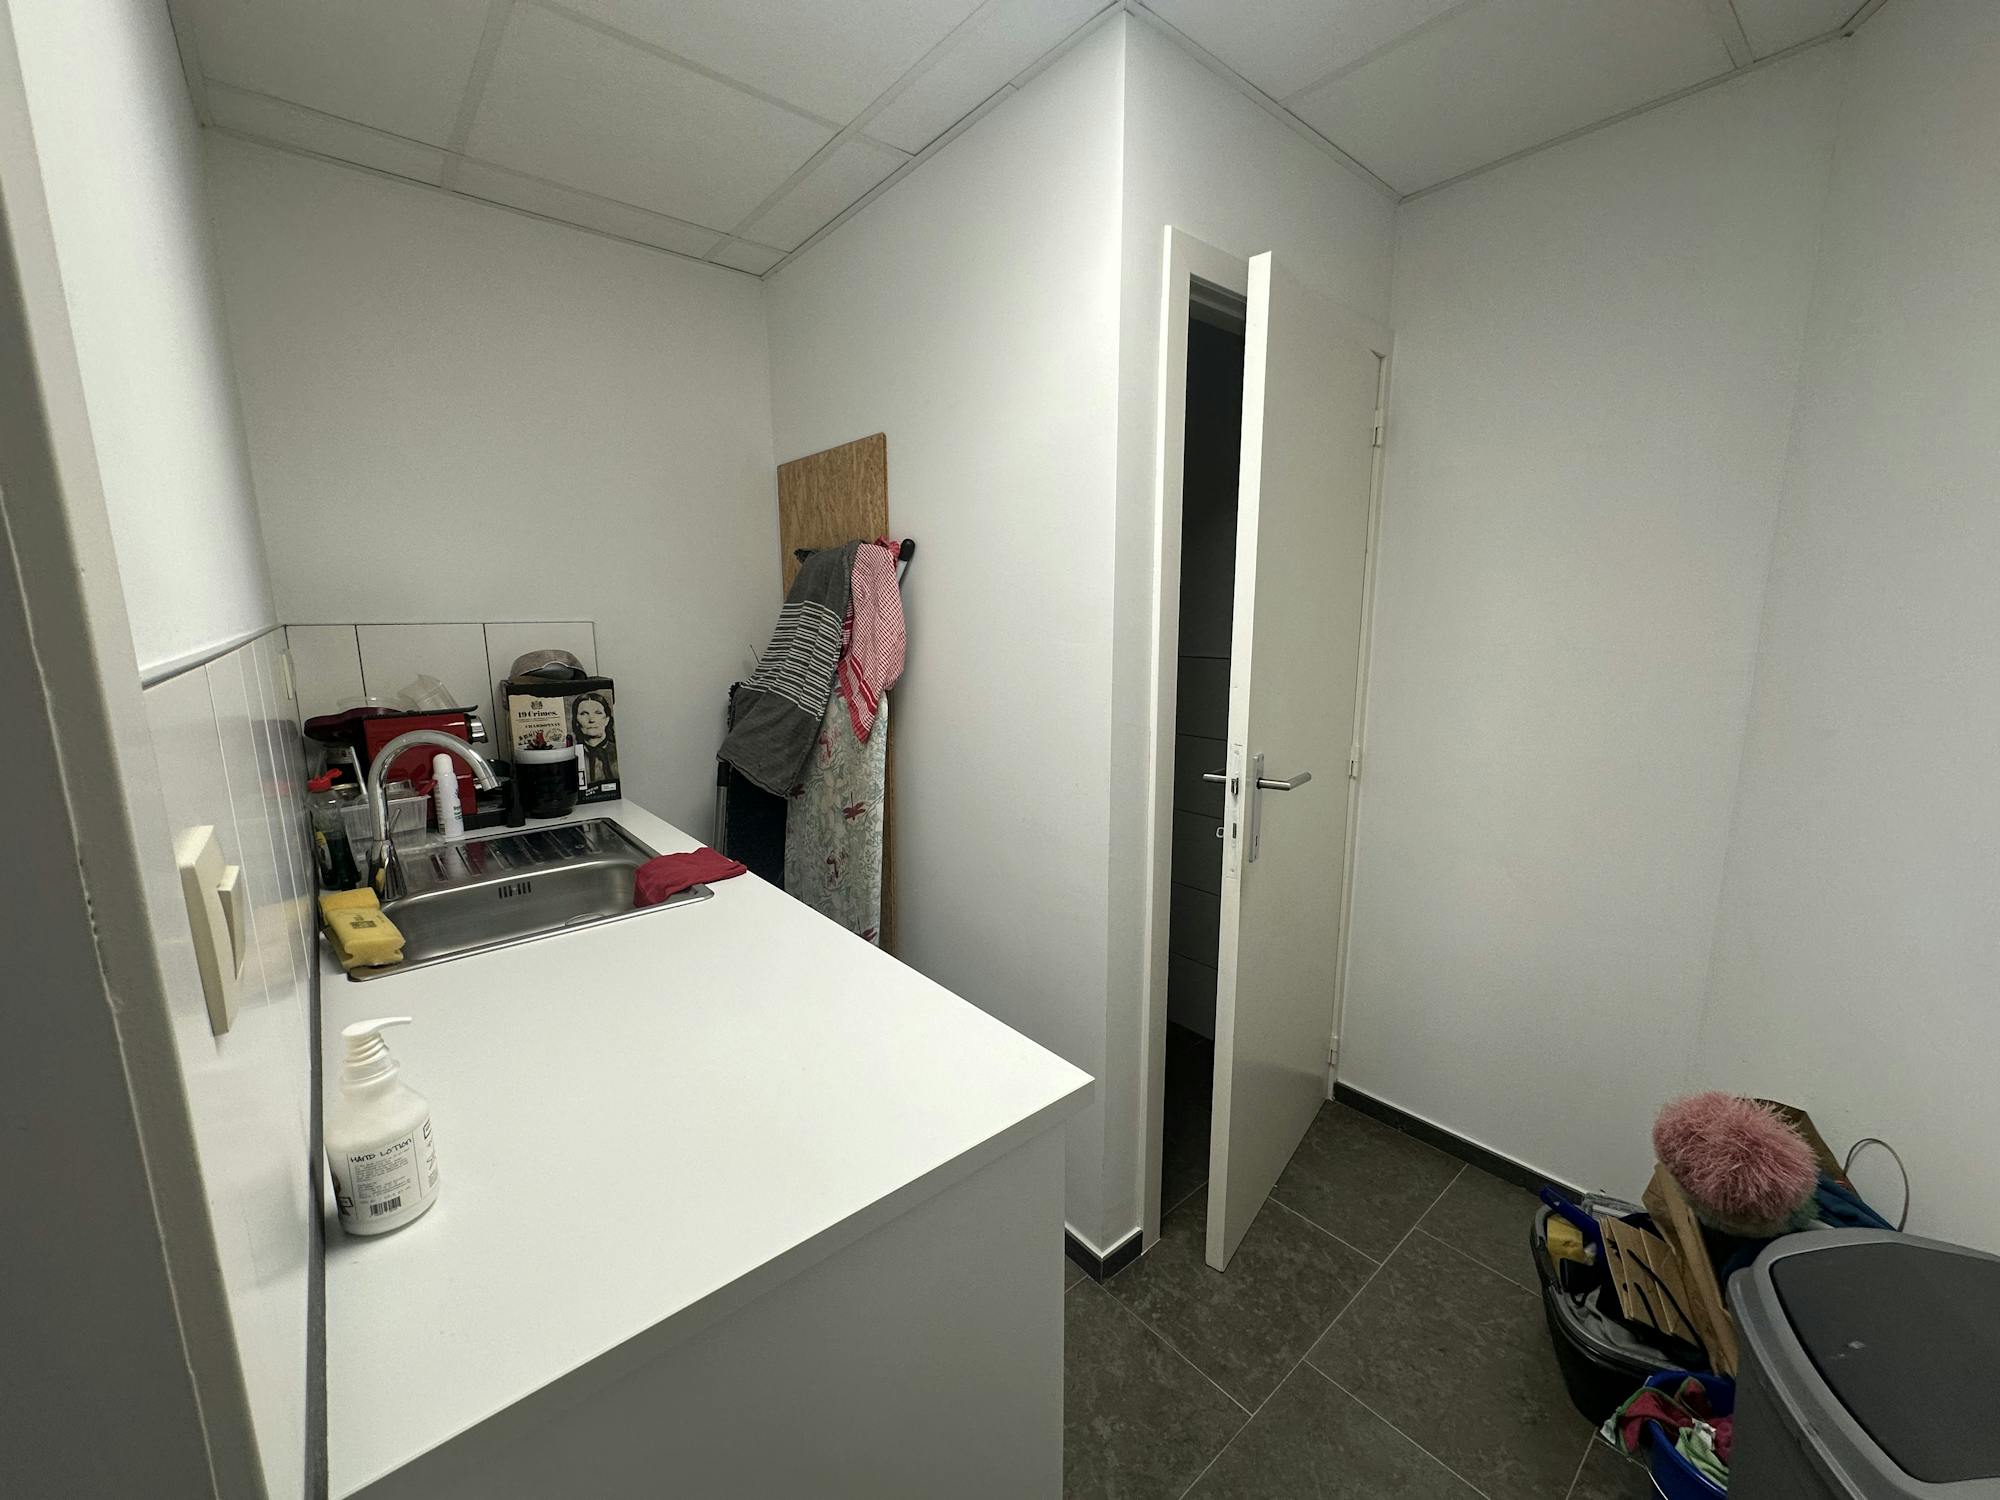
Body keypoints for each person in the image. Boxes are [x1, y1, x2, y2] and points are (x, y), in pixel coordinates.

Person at [570, 691, 617, 787]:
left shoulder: (618, 752)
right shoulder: (573, 756)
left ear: (607, 719)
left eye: (598, 713)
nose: (591, 720)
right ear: (576, 721)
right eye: (584, 714)